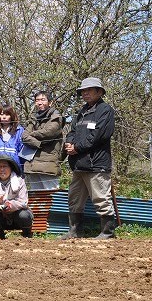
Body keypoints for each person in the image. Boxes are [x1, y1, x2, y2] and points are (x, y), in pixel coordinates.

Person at [61, 77, 116, 239]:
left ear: (99, 92)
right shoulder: (81, 112)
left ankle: (107, 232)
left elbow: (98, 135)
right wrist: (69, 143)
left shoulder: (105, 110)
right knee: (75, 199)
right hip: (79, 164)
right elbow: (72, 132)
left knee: (101, 198)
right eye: (83, 91)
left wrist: (76, 148)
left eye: (89, 90)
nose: (85, 93)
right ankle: (74, 231)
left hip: (97, 164)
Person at [0, 155, 34, 239]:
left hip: (17, 217)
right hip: (1, 217)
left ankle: (27, 234)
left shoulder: (20, 181)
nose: (2, 169)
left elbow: (23, 202)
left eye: (5, 166)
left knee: (24, 215)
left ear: (11, 168)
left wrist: (10, 205)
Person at [21, 91, 64, 190]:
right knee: (36, 196)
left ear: (50, 102)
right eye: (37, 100)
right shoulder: (34, 118)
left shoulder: (56, 117)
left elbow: (48, 133)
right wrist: (38, 143)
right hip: (32, 164)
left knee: (51, 195)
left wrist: (31, 135)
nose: (39, 103)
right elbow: (24, 136)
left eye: (43, 100)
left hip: (48, 164)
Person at [0, 104, 25, 170]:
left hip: (15, 167)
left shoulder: (19, 131)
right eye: (2, 114)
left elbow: (22, 151)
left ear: (12, 116)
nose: (4, 117)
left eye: (7, 114)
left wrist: (20, 168)